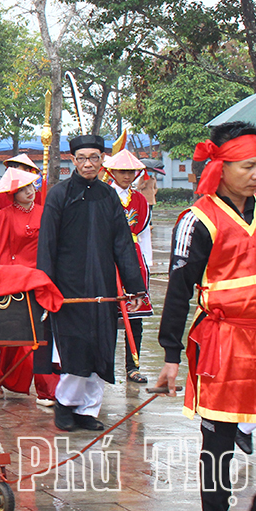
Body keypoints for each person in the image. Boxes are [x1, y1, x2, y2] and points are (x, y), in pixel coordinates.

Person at [154, 121, 256, 511]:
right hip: (224, 338)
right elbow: (178, 291)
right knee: (219, 442)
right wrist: (170, 355)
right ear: (223, 166)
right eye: (247, 166)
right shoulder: (197, 220)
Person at [36, 134, 146, 432]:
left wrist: (135, 286)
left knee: (101, 347)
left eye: (94, 158)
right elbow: (46, 243)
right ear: (73, 160)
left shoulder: (108, 196)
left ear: (102, 161)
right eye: (82, 158)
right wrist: (45, 285)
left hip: (102, 284)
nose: (88, 164)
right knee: (75, 349)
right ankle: (65, 403)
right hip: (67, 285)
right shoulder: (59, 195)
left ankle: (87, 410)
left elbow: (123, 243)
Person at [0, 167, 57, 406]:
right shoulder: (4, 216)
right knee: (14, 333)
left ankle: (46, 388)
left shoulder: (46, 212)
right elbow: (1, 251)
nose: (29, 192)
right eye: (22, 190)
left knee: (43, 334)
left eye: (31, 186)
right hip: (17, 279)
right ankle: (0, 379)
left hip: (43, 277)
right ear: (12, 194)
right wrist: (7, 279)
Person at [103, 149, 154, 384]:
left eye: (131, 171)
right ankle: (104, 365)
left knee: (135, 316)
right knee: (107, 316)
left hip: (133, 259)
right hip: (107, 258)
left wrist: (147, 264)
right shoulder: (103, 196)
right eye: (122, 171)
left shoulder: (140, 200)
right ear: (112, 172)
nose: (127, 175)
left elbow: (143, 235)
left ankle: (133, 366)